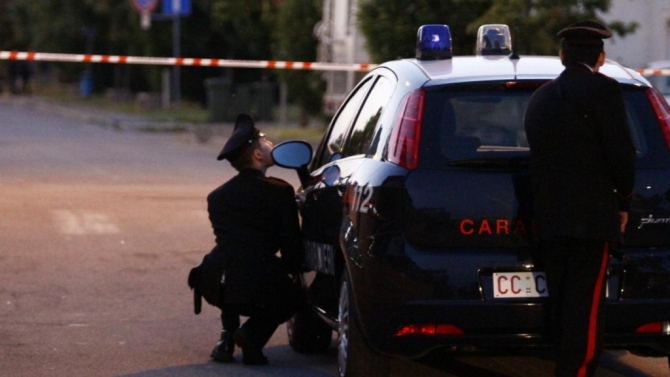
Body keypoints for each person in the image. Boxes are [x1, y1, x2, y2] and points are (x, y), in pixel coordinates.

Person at [524, 21, 636, 377]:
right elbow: (622, 154)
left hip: (549, 217)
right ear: (600, 58)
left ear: (562, 56)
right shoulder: (605, 91)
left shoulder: (540, 97)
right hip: (592, 218)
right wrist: (624, 202)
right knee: (585, 305)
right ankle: (575, 371)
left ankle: (565, 363)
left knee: (561, 299)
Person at [188, 113, 305, 365]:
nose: (271, 143)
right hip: (256, 280)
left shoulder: (217, 196)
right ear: (258, 156)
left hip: (214, 279)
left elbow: (233, 244)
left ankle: (227, 337)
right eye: (265, 140)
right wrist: (296, 270)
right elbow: (291, 248)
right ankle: (251, 335)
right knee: (295, 297)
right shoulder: (280, 191)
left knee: (234, 265)